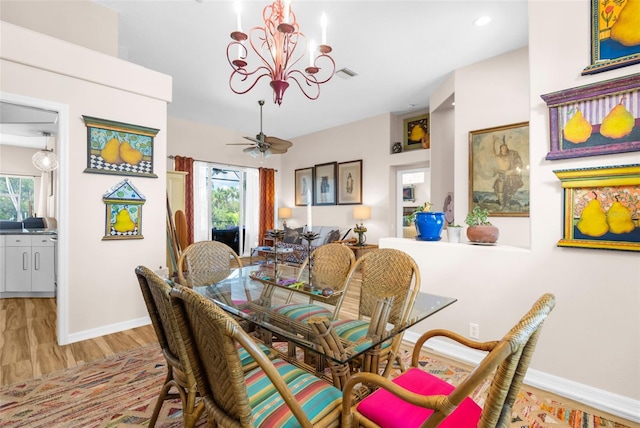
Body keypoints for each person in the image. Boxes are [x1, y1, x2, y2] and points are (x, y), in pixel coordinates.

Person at [493, 135, 524, 210]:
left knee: (510, 189)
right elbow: (493, 152)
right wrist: (493, 142)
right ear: (500, 149)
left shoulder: (512, 155)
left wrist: (511, 171)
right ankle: (502, 204)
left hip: (510, 176)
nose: (504, 149)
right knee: (500, 190)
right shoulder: (498, 156)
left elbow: (518, 164)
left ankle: (507, 203)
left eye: (505, 148)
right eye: (502, 148)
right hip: (501, 175)